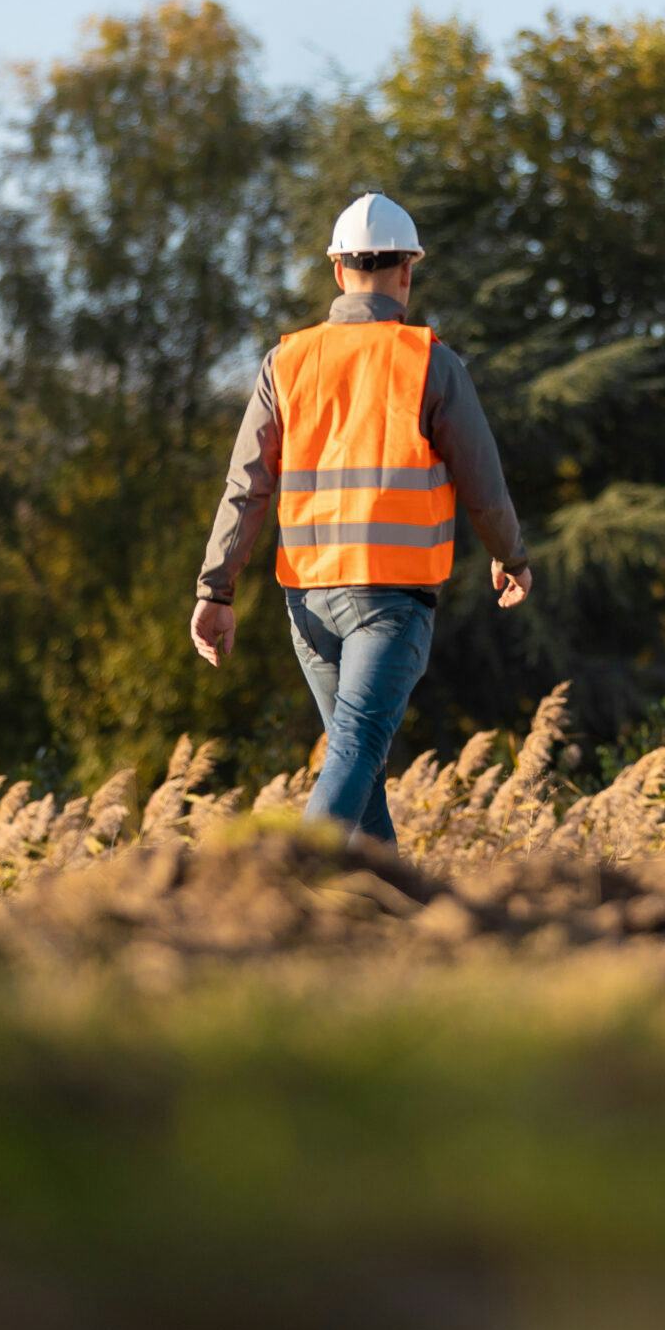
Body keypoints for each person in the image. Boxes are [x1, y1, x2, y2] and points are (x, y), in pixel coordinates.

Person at [189, 192, 531, 842]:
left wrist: (216, 587)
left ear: (338, 271)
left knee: (360, 763)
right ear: (408, 271)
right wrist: (511, 556)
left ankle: (385, 912)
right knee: (354, 752)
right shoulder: (429, 360)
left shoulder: (284, 362)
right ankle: (281, 884)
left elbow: (246, 488)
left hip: (309, 603)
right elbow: (482, 481)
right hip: (391, 599)